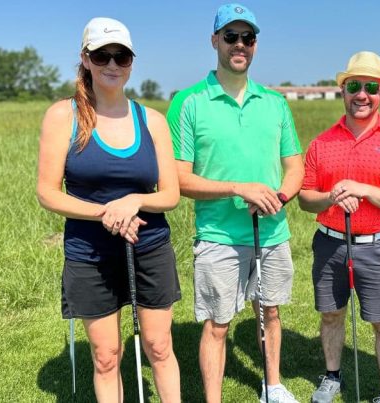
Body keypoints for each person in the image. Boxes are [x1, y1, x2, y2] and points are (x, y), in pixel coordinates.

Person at [36, 17, 181, 402]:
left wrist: (135, 201)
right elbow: (48, 193)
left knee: (159, 346)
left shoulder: (152, 121)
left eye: (121, 56)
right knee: (106, 356)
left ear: (131, 62)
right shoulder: (63, 117)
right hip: (90, 254)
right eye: (102, 56)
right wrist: (106, 213)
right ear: (85, 59)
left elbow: (170, 194)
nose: (112, 65)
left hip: (149, 247)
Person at [165, 4, 303, 403]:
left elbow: (295, 167)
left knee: (271, 311)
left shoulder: (275, 102)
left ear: (255, 45)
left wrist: (278, 197)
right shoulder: (188, 102)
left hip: (272, 231)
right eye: (231, 36)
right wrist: (238, 189)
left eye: (248, 37)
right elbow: (179, 178)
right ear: (215, 41)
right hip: (218, 235)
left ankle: (273, 386)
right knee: (218, 324)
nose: (239, 44)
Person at [298, 51, 380, 403]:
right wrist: (332, 197)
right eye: (354, 86)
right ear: (343, 90)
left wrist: (363, 189)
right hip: (329, 242)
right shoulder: (322, 142)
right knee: (331, 315)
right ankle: (332, 376)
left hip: (376, 246)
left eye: (371, 87)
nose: (362, 95)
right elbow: (306, 198)